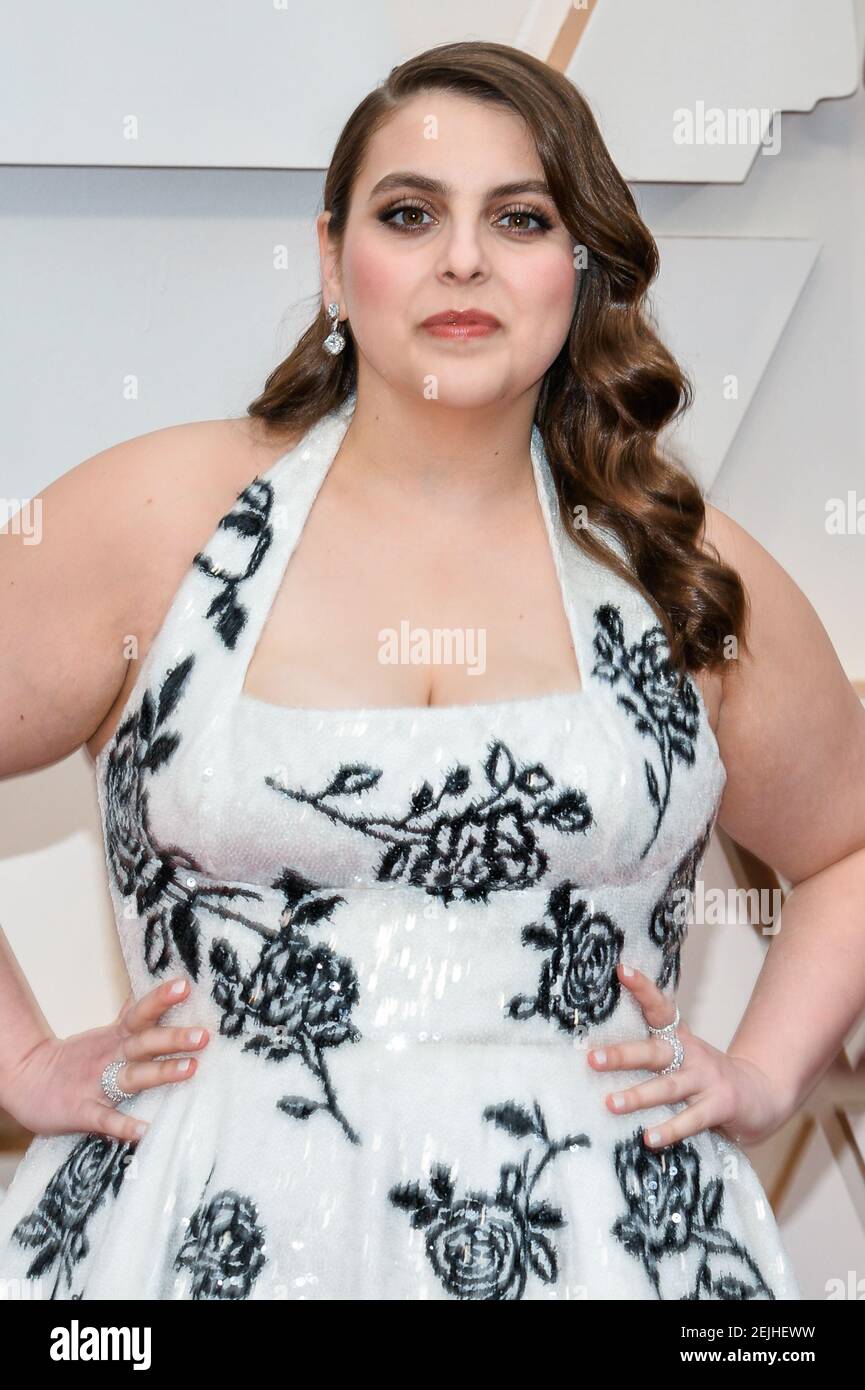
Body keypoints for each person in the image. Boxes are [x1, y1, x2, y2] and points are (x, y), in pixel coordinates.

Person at [0, 38, 861, 1301]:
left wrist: (768, 1073)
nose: (463, 258)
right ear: (331, 258)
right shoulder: (150, 520)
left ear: (579, 268)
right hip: (185, 1248)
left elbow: (845, 845)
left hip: (613, 1253)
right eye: (411, 213)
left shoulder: (681, 569)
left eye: (519, 217)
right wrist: (22, 1067)